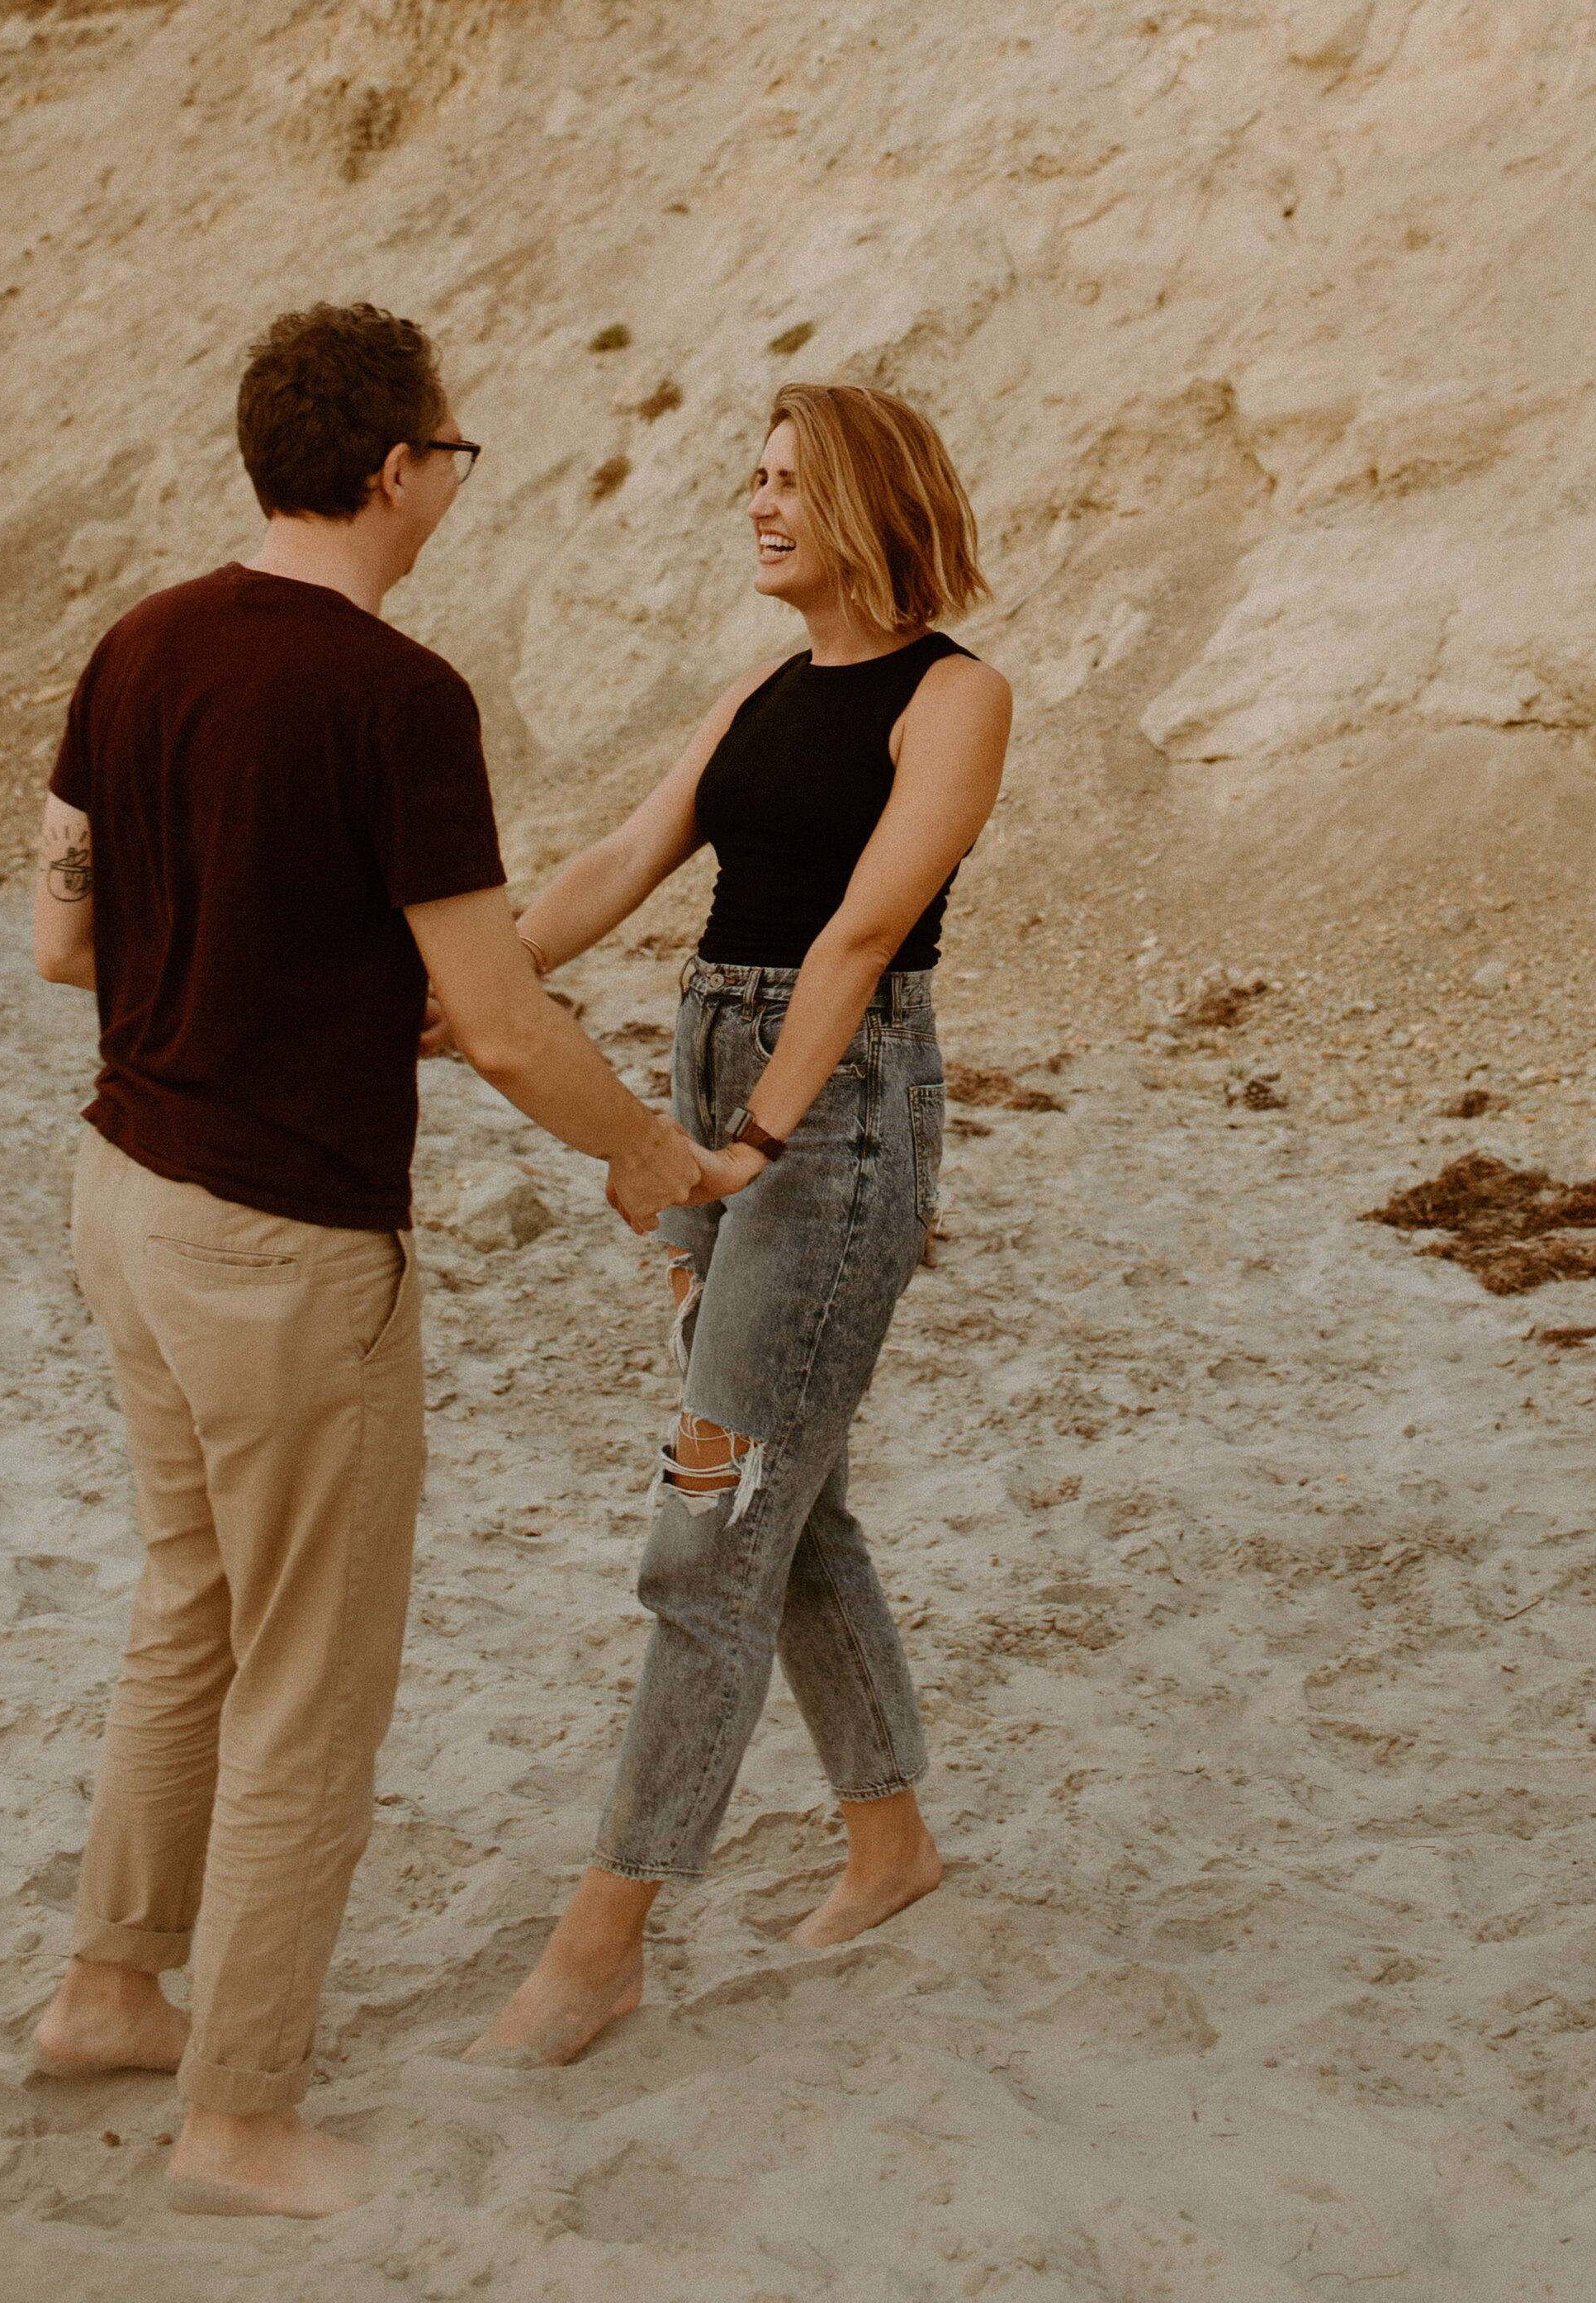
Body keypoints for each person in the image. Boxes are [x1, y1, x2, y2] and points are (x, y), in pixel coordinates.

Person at [26, 301, 704, 2218]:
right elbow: (498, 1022)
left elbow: (65, 939)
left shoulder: (137, 640)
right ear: (397, 466)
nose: (453, 487)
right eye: (455, 455)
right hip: (279, 1234)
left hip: (126, 1193)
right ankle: (238, 2114)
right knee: (311, 1674)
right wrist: (646, 1149)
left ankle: (107, 1987)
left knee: (191, 1602)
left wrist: (276, 957)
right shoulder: (397, 697)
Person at [469, 381, 1012, 2068]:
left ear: (866, 499)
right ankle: (891, 1841)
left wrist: (754, 1137)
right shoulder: (761, 691)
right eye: (753, 480)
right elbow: (624, 855)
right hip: (712, 1072)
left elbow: (859, 933)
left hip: (825, 1118)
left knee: (709, 1525)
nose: (759, 505)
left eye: (789, 481)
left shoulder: (956, 697)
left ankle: (602, 1938)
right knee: (790, 1497)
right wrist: (475, 979)